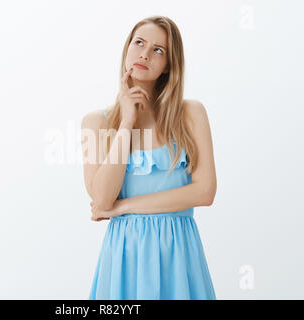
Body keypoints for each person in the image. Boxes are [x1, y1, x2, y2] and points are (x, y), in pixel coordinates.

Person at [81, 15, 217, 300]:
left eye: (158, 50)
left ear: (169, 65)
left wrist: (125, 207)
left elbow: (204, 192)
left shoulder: (191, 113)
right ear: (127, 48)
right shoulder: (96, 122)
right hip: (124, 256)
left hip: (179, 254)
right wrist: (127, 123)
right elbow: (103, 201)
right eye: (139, 43)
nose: (144, 53)